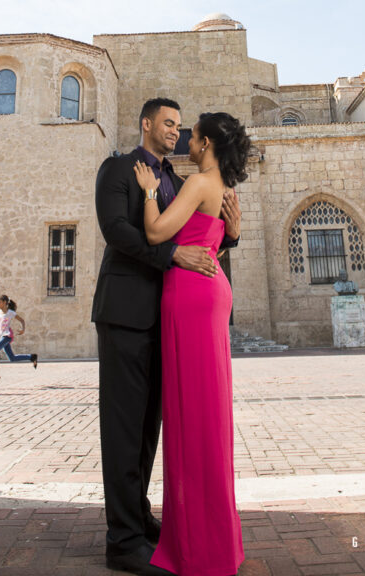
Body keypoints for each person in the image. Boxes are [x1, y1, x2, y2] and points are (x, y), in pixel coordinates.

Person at [92, 98, 241, 576]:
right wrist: (171, 257)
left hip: (170, 319)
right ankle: (123, 541)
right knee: (122, 430)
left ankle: (141, 519)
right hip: (126, 313)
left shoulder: (179, 179)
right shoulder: (117, 168)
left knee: (149, 431)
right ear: (147, 124)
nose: (176, 131)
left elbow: (197, 234)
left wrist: (230, 237)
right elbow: (117, 231)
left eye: (181, 125)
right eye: (169, 123)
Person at [134, 111, 250, 576]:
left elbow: (157, 233)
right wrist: (234, 234)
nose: (186, 138)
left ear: (206, 144)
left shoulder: (201, 183)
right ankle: (218, 538)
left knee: (190, 414)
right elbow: (214, 244)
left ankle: (198, 545)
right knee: (209, 410)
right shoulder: (225, 189)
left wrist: (147, 193)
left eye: (193, 135)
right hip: (213, 289)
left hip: (190, 295)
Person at [0, 294, 37, 385]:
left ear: (4, 303)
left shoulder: (10, 313)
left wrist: (23, 329)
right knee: (12, 358)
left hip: (7, 336)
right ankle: (32, 357)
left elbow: (22, 320)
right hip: (1, 337)